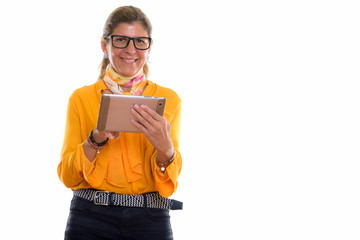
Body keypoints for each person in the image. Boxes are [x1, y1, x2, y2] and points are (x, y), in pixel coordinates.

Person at [57, 6, 182, 240]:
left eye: (140, 41)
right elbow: (68, 176)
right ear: (105, 46)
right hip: (90, 218)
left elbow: (170, 183)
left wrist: (166, 150)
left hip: (151, 220)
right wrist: (96, 139)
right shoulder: (81, 98)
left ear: (149, 47)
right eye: (121, 40)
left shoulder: (170, 100)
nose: (131, 50)